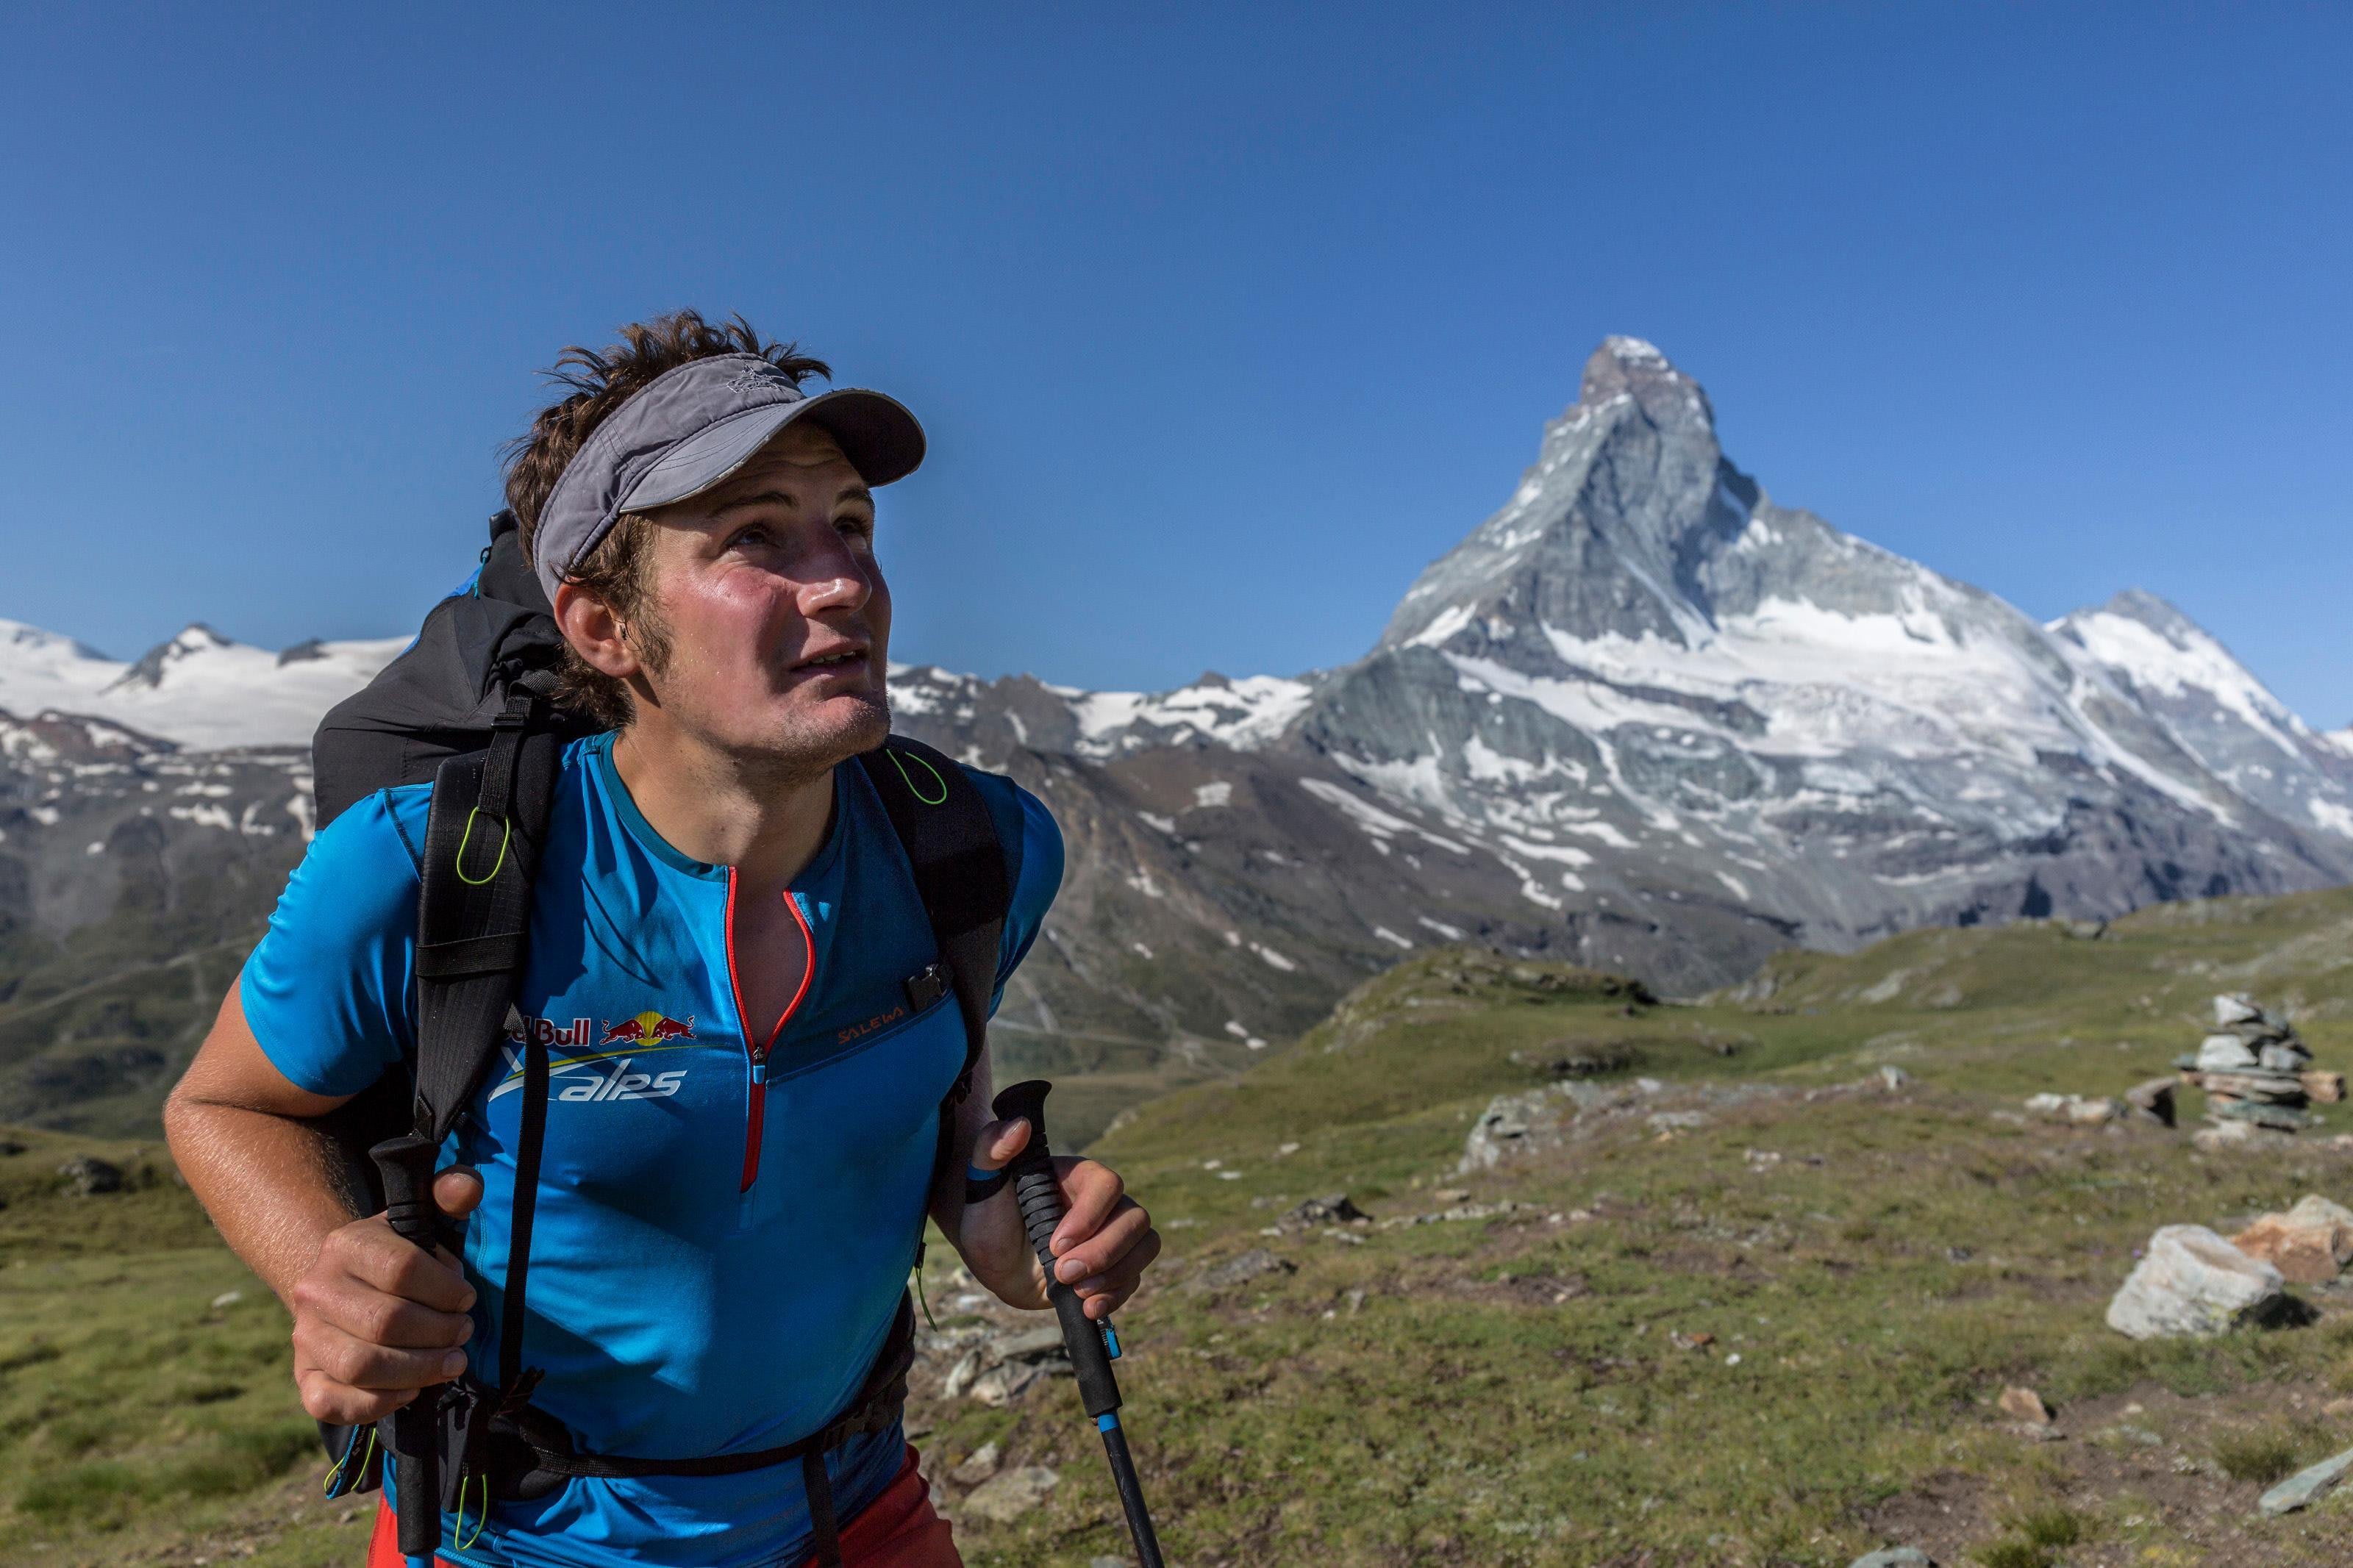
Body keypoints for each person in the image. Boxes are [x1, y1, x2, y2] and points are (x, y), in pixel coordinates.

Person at [163, 311, 1159, 1568]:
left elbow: (940, 1088)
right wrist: (329, 1267)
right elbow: (223, 1104)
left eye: (852, 523)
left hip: (857, 1510)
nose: (845, 578)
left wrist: (1000, 1222)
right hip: (517, 1537)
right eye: (757, 536)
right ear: (604, 627)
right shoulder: (429, 867)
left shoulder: (974, 848)